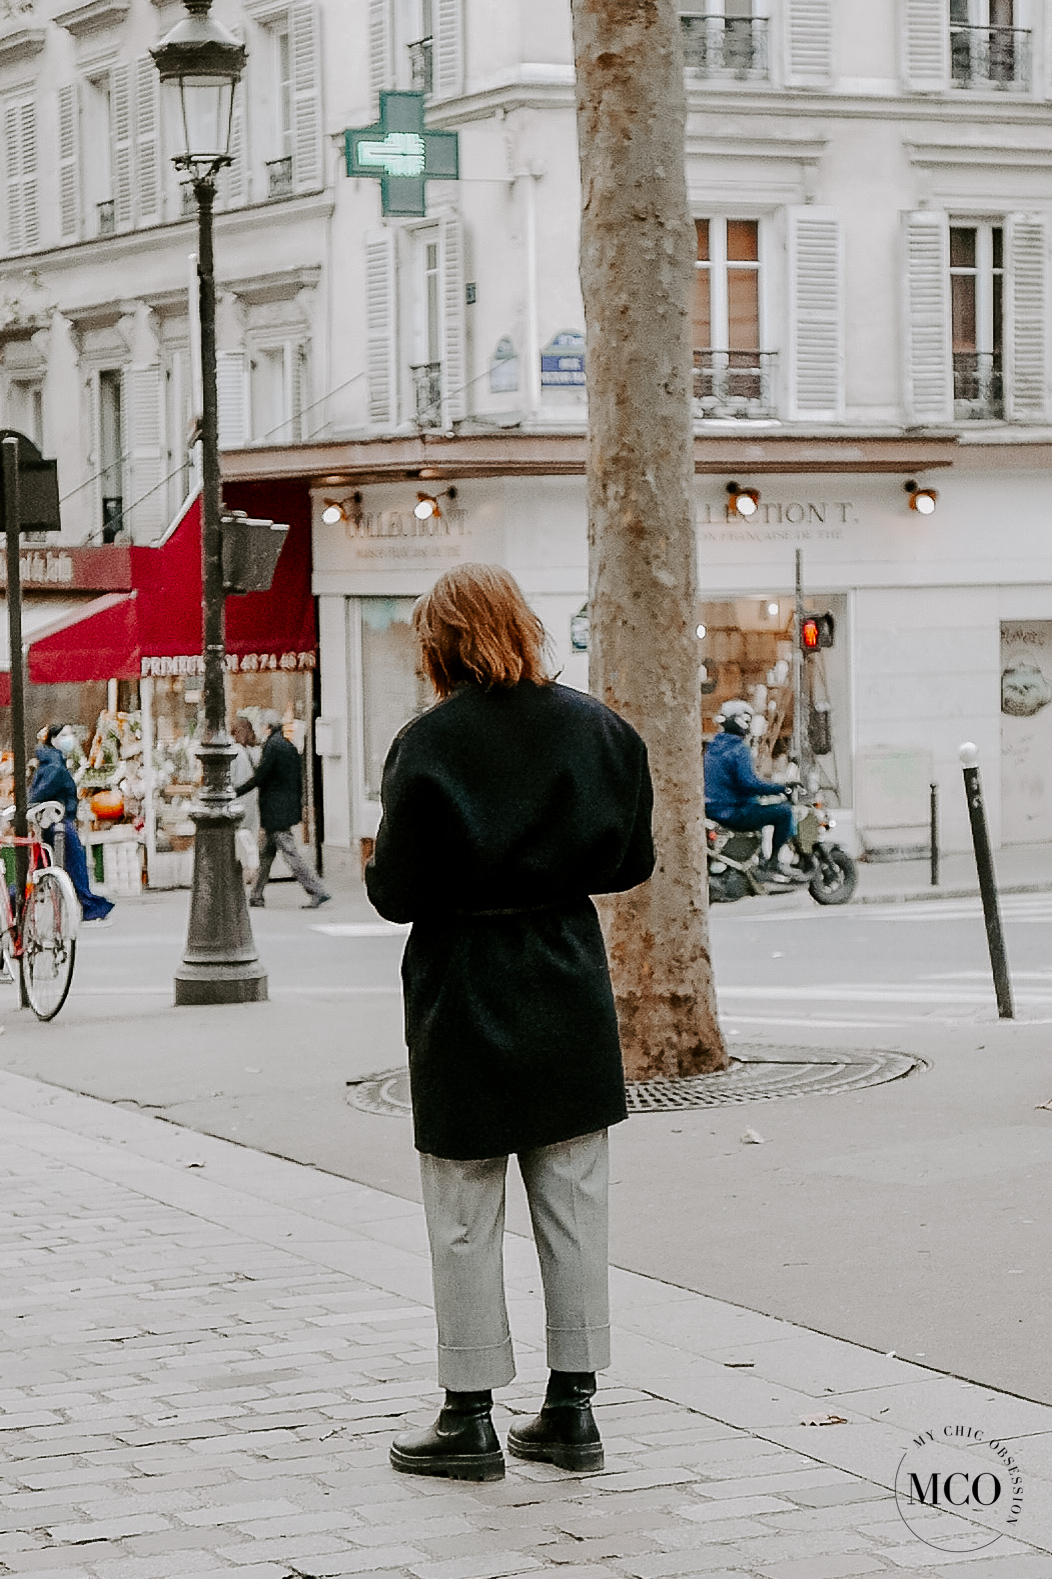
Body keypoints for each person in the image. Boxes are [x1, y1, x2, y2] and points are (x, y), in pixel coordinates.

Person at [365, 562, 655, 1483]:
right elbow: (630, 860)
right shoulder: (601, 730)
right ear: (526, 627)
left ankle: (469, 1414)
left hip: (463, 985)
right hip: (566, 976)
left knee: (463, 1210)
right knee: (574, 1201)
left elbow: (396, 892)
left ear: (440, 644)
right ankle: (573, 1409)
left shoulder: (429, 744)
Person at [234, 711, 330, 909]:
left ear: (267, 726)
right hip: (283, 807)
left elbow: (261, 776)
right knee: (267, 854)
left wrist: (237, 791)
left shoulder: (273, 746)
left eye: (261, 726)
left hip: (275, 810)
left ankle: (316, 890)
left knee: (290, 853)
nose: (259, 730)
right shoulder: (288, 745)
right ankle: (256, 895)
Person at [704, 701, 805, 884]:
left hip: (714, 810)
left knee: (761, 808)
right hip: (734, 812)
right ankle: (774, 862)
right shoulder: (738, 748)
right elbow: (749, 784)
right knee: (784, 812)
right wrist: (781, 787)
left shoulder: (712, 747)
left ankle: (757, 859)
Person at [29, 724, 115, 924]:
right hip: (59, 823)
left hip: (52, 822)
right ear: (53, 739)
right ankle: (90, 908)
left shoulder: (51, 762)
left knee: (48, 867)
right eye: (65, 735)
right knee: (75, 867)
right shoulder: (55, 767)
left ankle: (86, 906)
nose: (70, 739)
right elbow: (37, 794)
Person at [230, 715, 260, 883]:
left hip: (238, 800)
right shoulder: (253, 751)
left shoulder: (234, 751)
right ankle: (253, 869)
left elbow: (230, 780)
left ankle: (243, 870)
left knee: (237, 838)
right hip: (252, 800)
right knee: (251, 837)